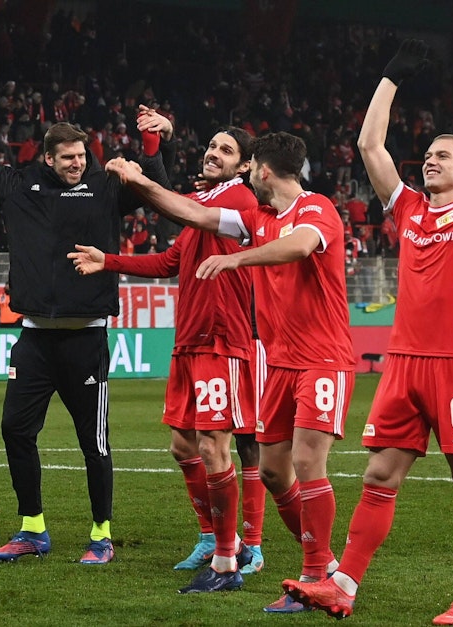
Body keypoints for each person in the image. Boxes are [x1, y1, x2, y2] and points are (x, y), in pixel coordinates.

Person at [282, 30, 453, 625]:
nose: (430, 158)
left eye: (442, 155)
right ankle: (343, 585)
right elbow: (369, 144)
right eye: (427, 153)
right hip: (403, 361)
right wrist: (391, 75)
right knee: (379, 473)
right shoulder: (408, 209)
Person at [107, 130, 356, 604]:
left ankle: (314, 575)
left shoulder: (314, 208)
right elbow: (194, 213)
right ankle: (323, 565)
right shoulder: (255, 217)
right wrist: (139, 180)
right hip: (281, 362)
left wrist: (238, 259)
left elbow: (301, 246)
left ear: (260, 169)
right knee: (276, 473)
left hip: (322, 358)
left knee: (304, 462)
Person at [0, 75, 170, 565]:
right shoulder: (20, 187)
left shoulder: (106, 188)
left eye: (81, 156)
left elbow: (156, 193)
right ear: (47, 157)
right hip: (35, 339)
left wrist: (151, 147)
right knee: (15, 431)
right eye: (67, 157)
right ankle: (32, 529)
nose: (77, 164)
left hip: (86, 338)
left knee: (94, 442)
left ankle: (101, 535)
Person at [71, 127, 273, 587]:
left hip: (226, 339)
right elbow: (168, 262)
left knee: (233, 445)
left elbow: (184, 209)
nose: (212, 153)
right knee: (184, 446)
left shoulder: (239, 200)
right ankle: (210, 536)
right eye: (211, 145)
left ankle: (248, 545)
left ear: (244, 166)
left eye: (225, 149)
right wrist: (109, 260)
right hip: (189, 341)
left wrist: (140, 178)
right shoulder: (204, 206)